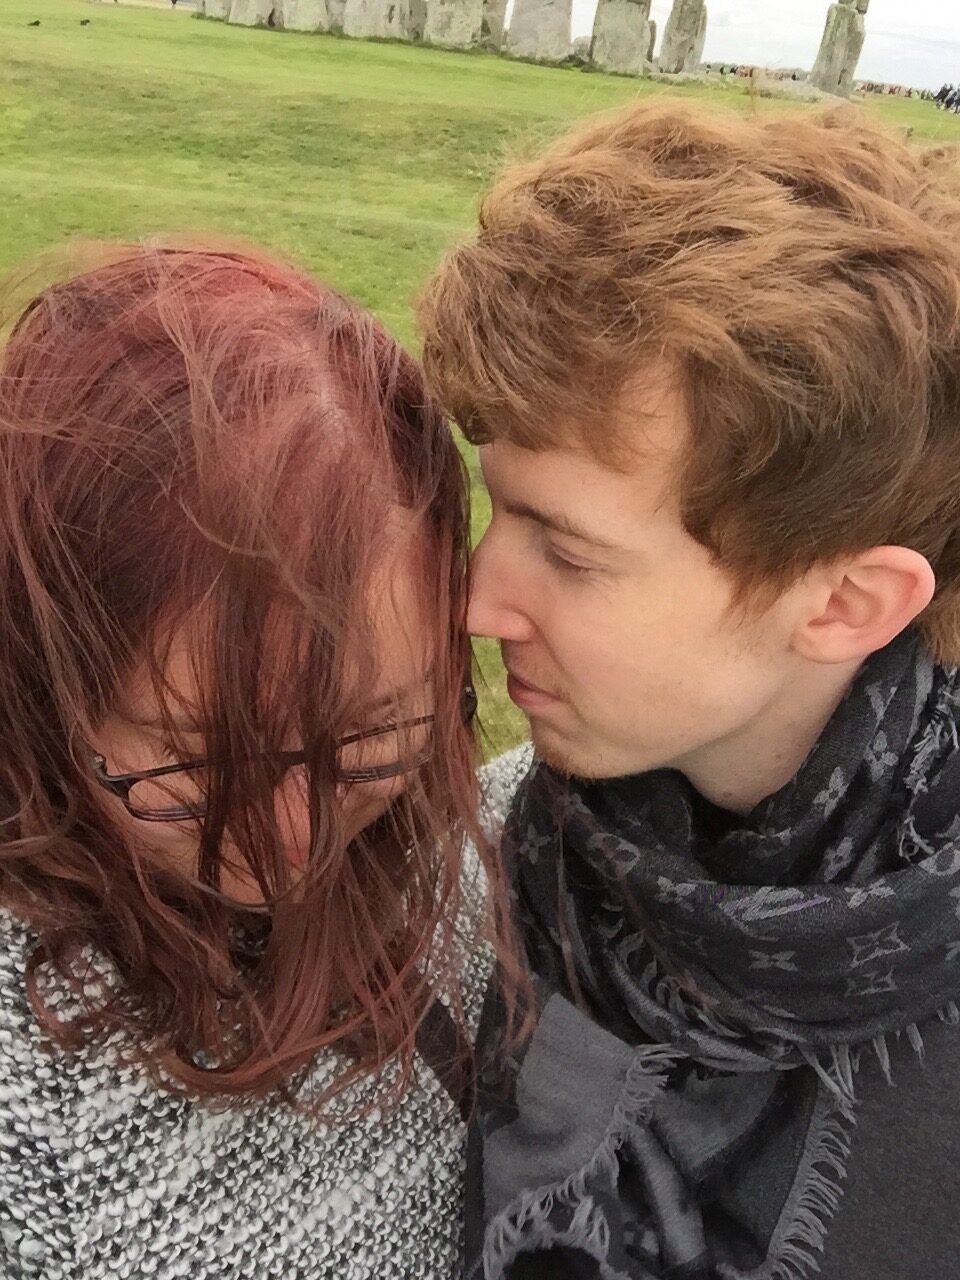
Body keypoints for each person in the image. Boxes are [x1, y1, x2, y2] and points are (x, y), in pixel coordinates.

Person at [420, 104, 960, 1279]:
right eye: (495, 501)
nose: (474, 603)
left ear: (845, 603)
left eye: (567, 551)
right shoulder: (498, 863)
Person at [0, 243, 526, 1279]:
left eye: (371, 738)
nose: (294, 842)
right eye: (195, 761)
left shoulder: (497, 854)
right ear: (40, 683)